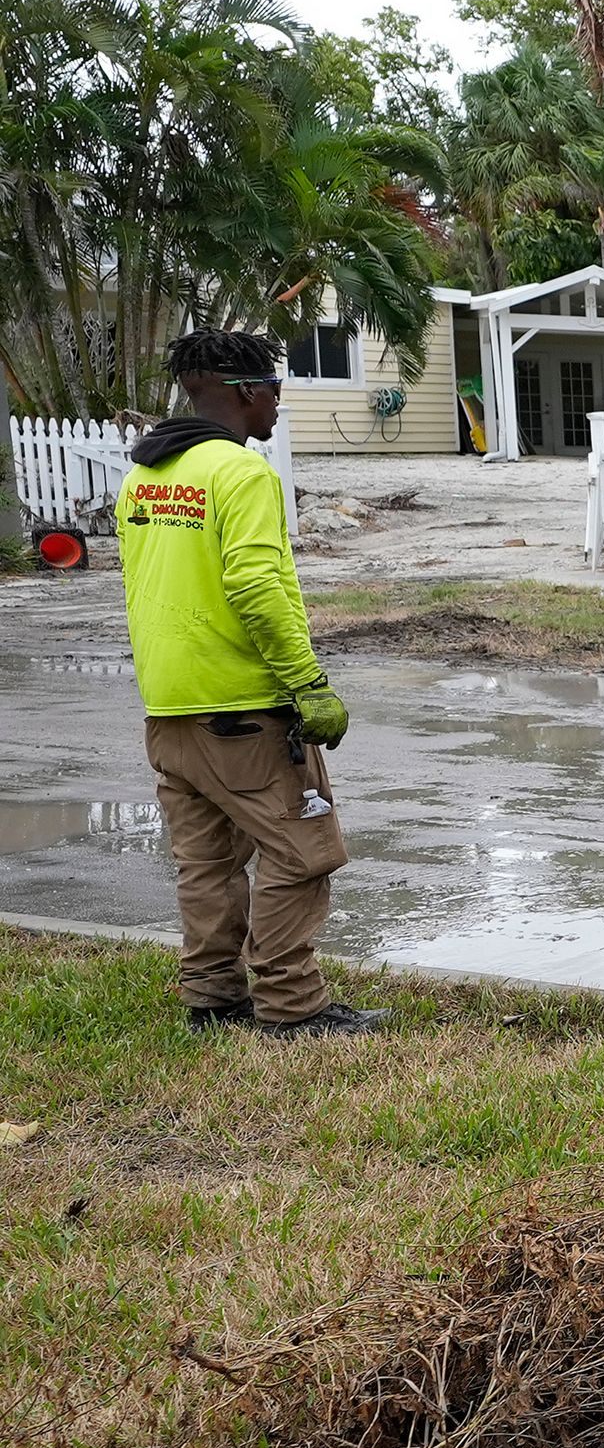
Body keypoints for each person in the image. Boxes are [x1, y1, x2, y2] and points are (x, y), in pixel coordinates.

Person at [114, 330, 383, 1038]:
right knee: (305, 855)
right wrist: (310, 684)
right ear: (244, 392)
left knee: (206, 863)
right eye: (274, 391)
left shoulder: (147, 475)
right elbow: (258, 587)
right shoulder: (239, 473)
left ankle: (213, 998)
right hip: (243, 709)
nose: (277, 406)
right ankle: (294, 1006)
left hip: (169, 709)